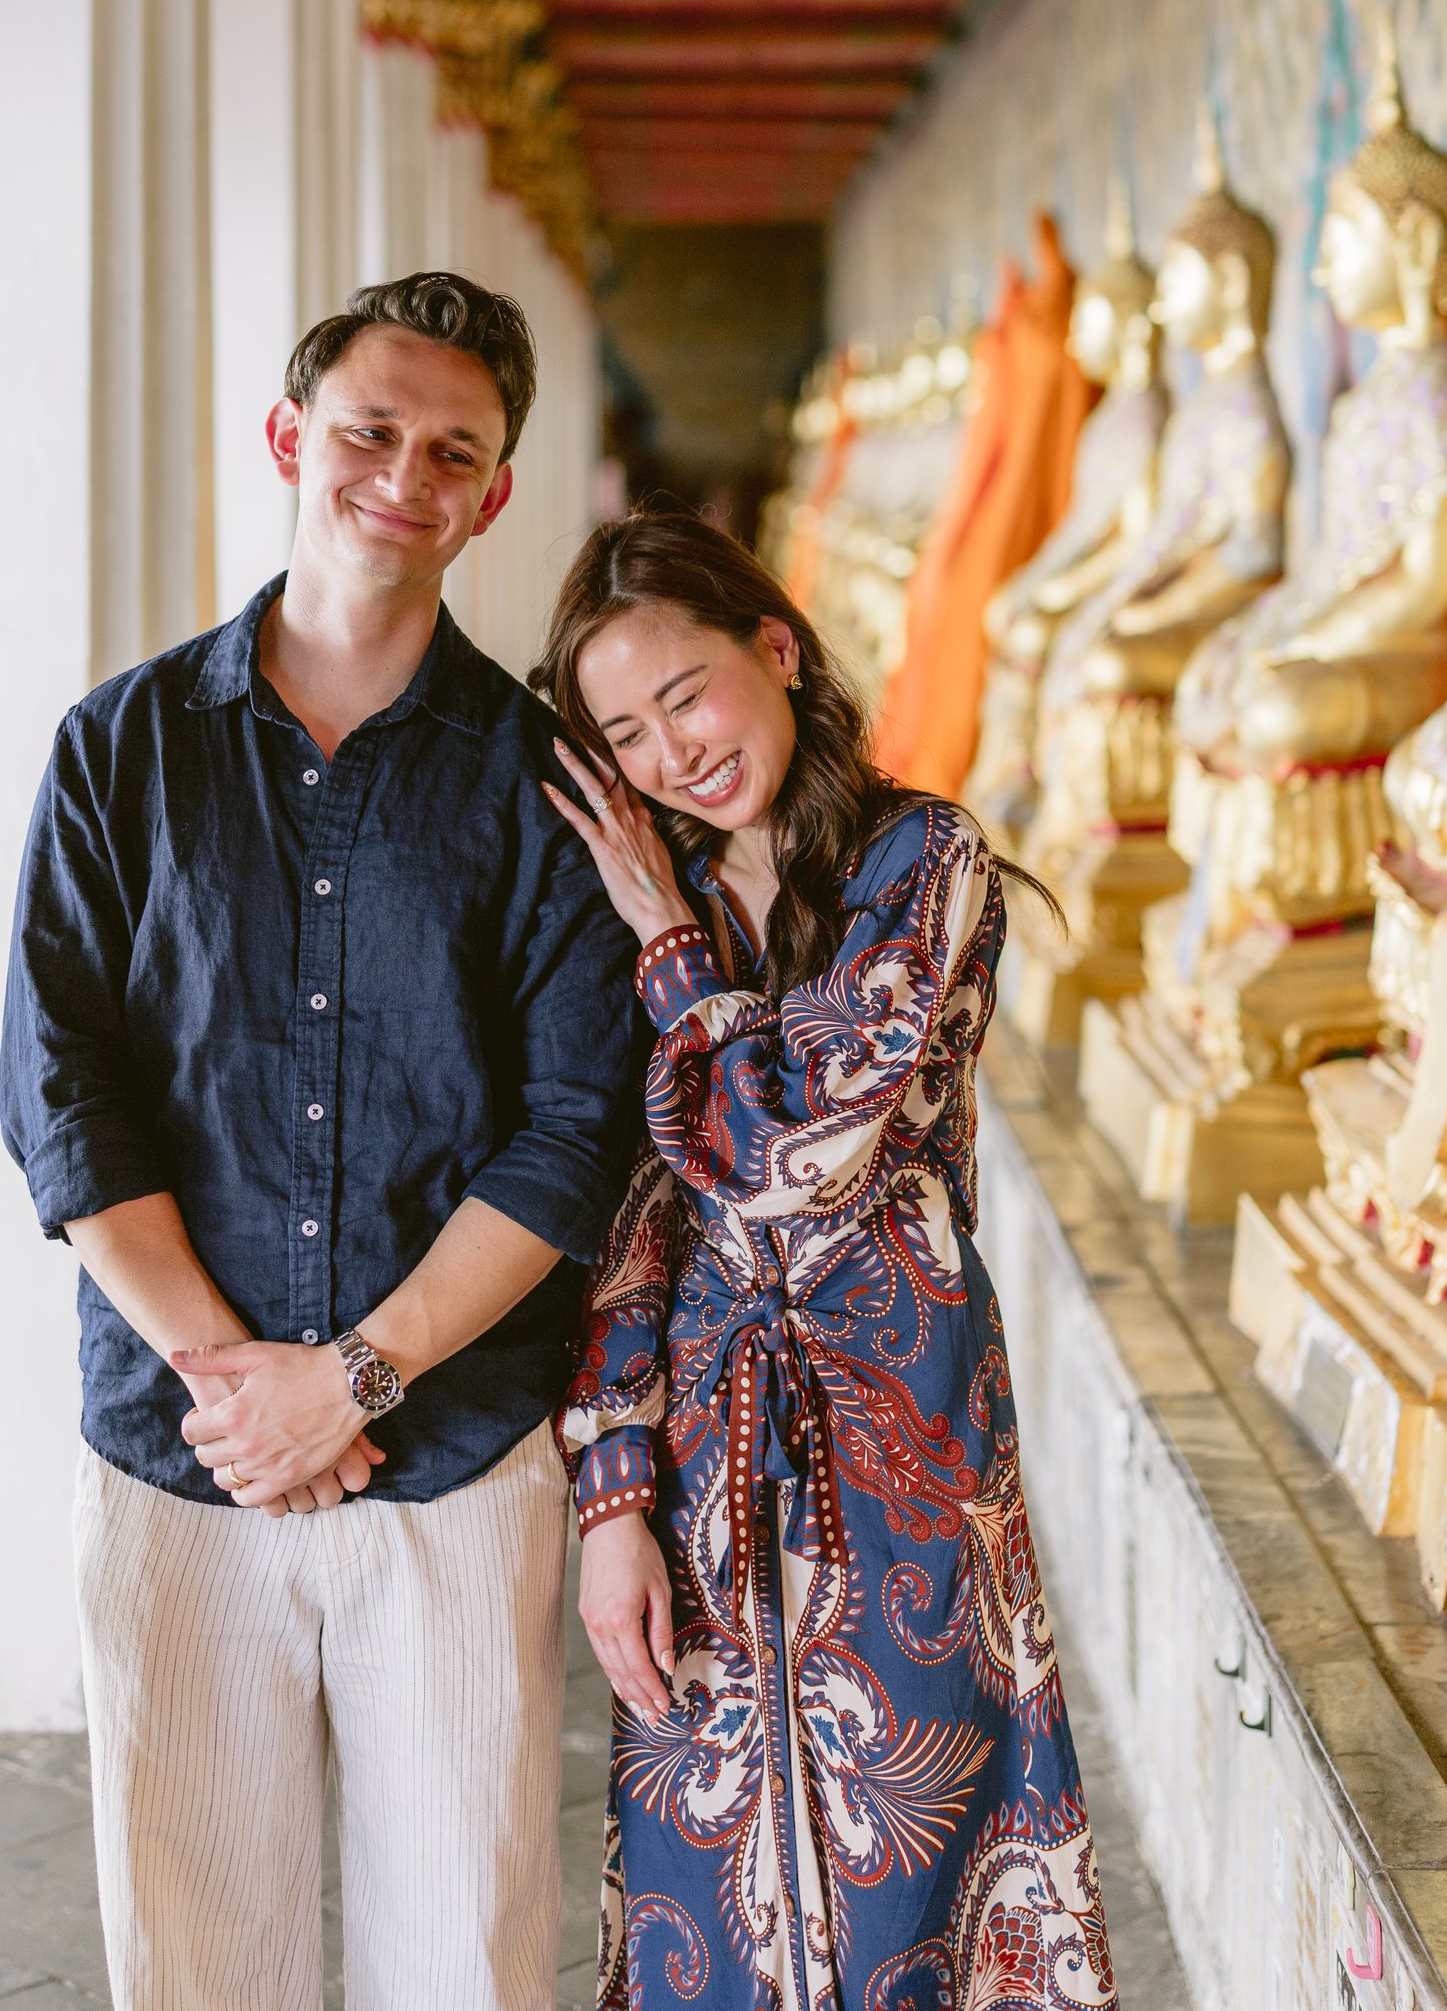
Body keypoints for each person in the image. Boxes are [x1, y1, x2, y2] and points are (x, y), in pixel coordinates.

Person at [0, 272, 648, 2011]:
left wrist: (351, 1380)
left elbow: (575, 1131)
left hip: (455, 1454)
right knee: (199, 1959)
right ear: (292, 437)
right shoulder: (121, 749)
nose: (403, 476)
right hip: (181, 1452)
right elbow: (63, 1093)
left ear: (493, 497)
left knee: (465, 1959)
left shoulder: (545, 780)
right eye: (371, 431)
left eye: (454, 453)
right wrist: (240, 1388)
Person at [532, 503, 1117, 2011]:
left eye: (688, 696)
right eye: (627, 735)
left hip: (906, 1431)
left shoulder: (923, 860)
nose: (674, 755)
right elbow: (633, 1214)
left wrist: (675, 957)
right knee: (715, 1882)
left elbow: (802, 1144)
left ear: (777, 650)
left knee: (911, 1865)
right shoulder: (641, 894)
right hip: (704, 1450)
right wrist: (613, 1490)